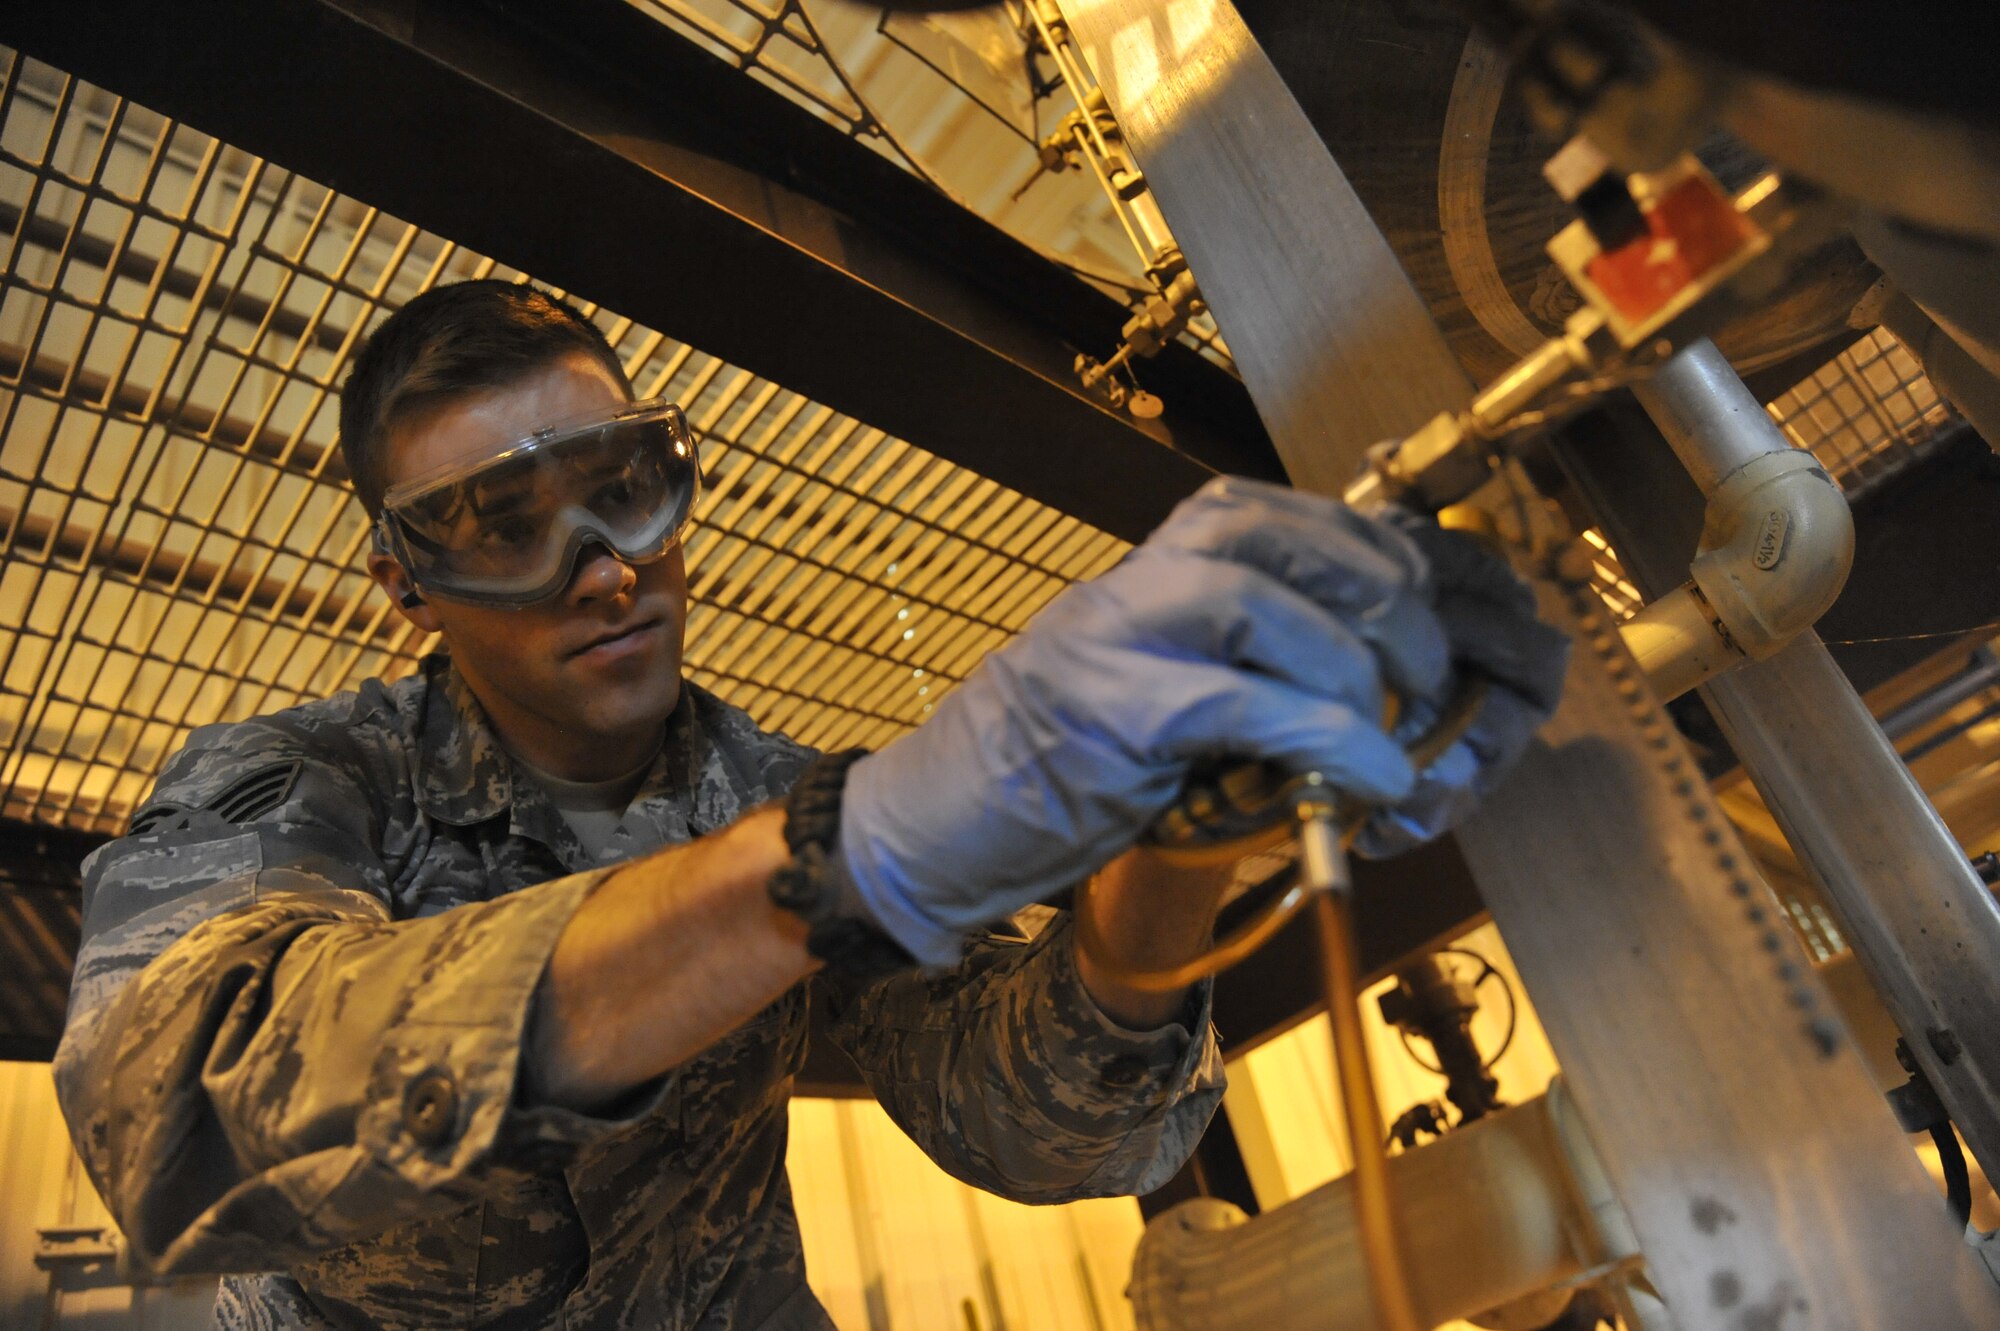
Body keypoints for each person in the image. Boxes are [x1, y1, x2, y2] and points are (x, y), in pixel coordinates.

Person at [53, 281, 1566, 1329]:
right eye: (502, 526)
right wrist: (840, 861)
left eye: (623, 486)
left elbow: (1048, 1134)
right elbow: (179, 1118)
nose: (602, 566)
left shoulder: (764, 793)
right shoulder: (303, 780)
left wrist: (1176, 849)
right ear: (407, 588)